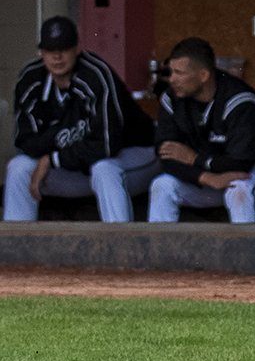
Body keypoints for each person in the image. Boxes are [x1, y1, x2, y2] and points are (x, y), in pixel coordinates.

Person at [5, 15, 156, 223]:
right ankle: (17, 241)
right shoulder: (31, 79)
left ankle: (119, 241)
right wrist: (55, 150)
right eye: (50, 50)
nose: (57, 57)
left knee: (104, 169)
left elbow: (107, 145)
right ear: (41, 52)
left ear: (77, 48)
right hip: (76, 164)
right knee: (19, 167)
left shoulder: (96, 75)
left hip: (135, 154)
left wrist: (53, 158)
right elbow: (24, 140)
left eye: (64, 49)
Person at [146, 37, 255, 224]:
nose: (172, 79)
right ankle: (159, 244)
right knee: (162, 185)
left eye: (179, 73)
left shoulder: (239, 100)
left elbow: (241, 163)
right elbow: (166, 155)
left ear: (203, 75)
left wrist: (195, 159)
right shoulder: (172, 98)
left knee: (239, 189)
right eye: (171, 72)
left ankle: (246, 244)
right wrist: (205, 177)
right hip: (213, 174)